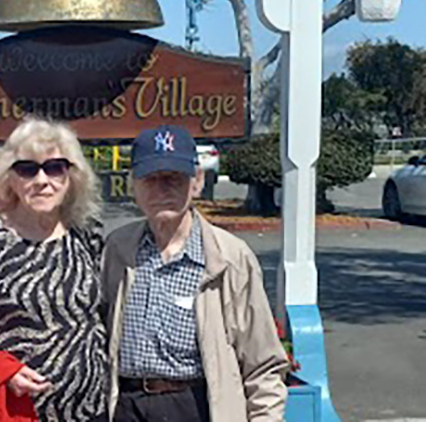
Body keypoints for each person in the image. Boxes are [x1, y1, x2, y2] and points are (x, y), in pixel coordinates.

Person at [101, 125, 289, 422]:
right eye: (150, 180)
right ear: (133, 185)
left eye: (173, 179)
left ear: (197, 182)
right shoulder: (117, 249)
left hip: (195, 406)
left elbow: (262, 363)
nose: (162, 191)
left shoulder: (230, 258)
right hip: (127, 406)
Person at [0, 117, 109, 421]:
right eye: (27, 169)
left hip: (89, 410)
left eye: (54, 167)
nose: (41, 180)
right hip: (16, 410)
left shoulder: (87, 235)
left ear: (72, 175)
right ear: (10, 177)